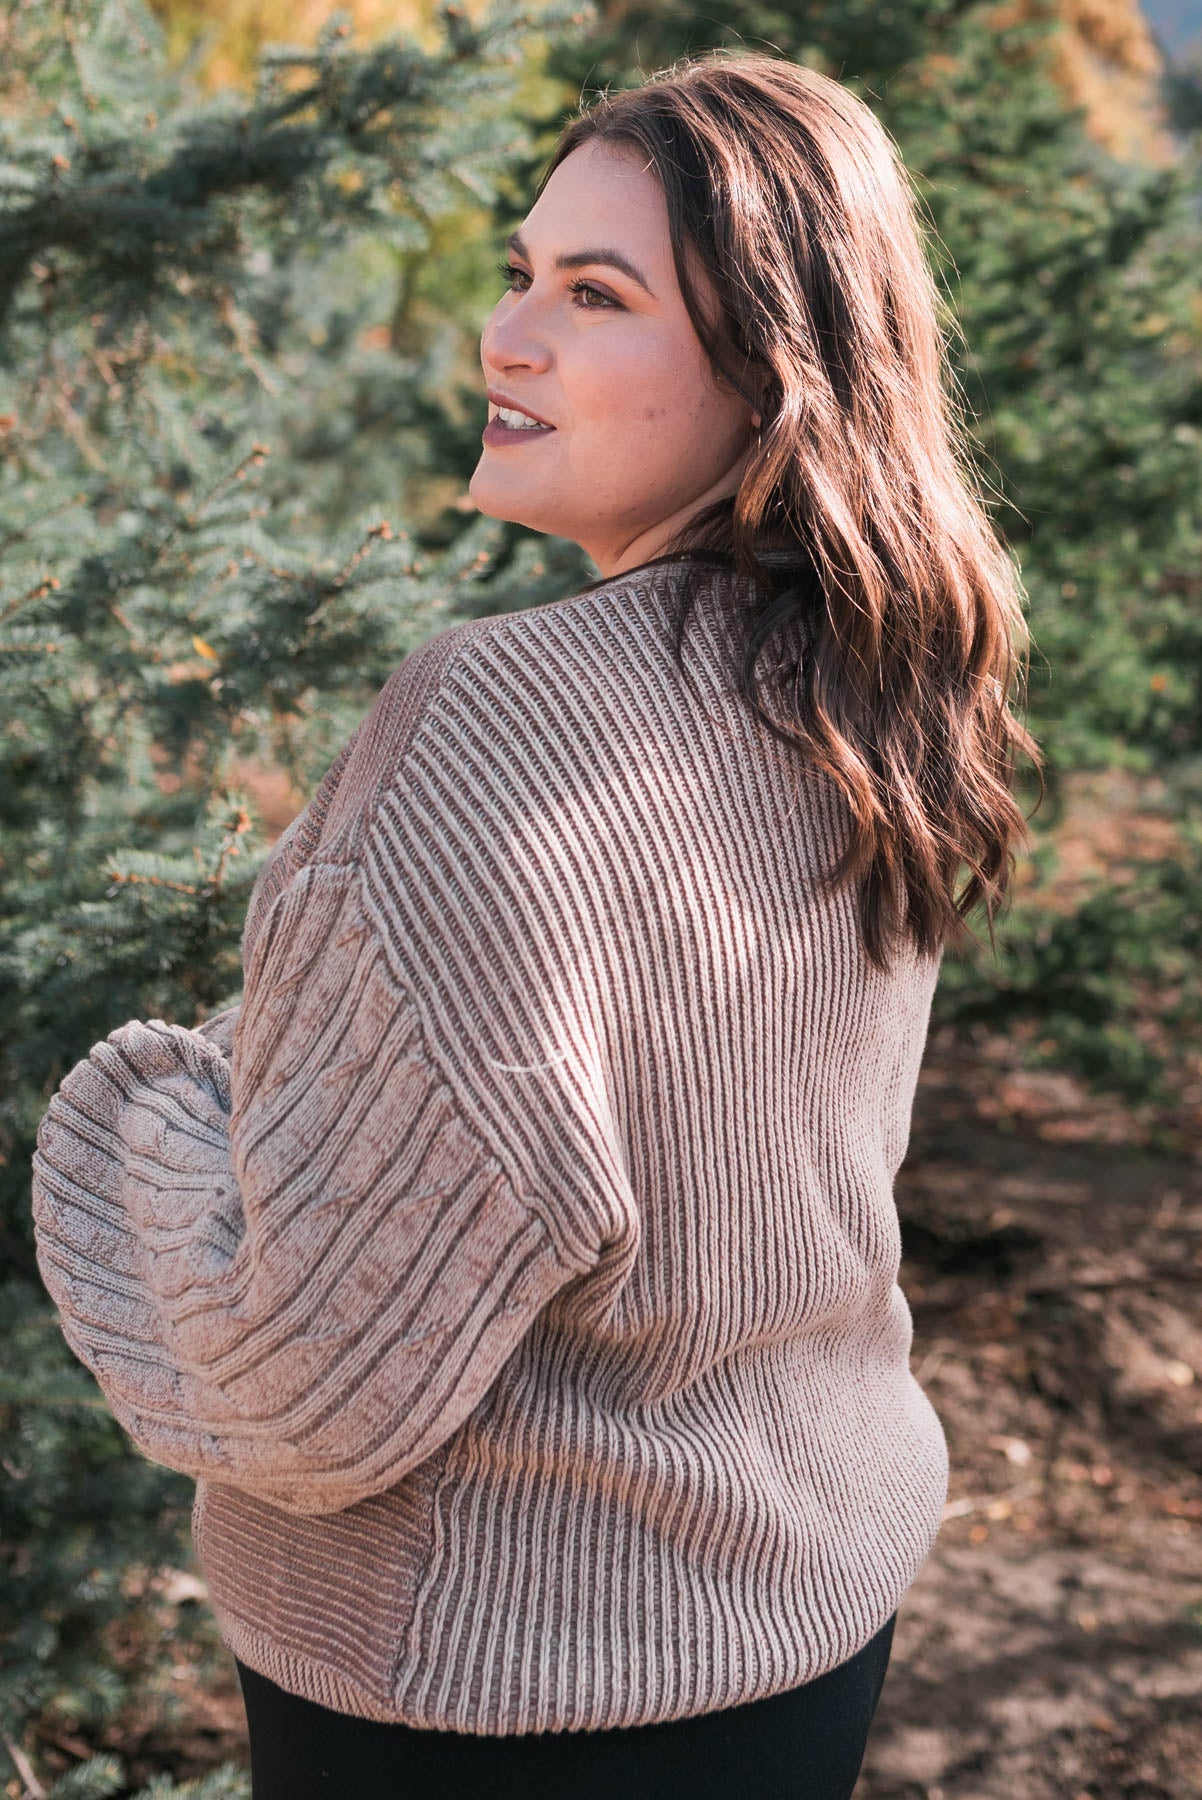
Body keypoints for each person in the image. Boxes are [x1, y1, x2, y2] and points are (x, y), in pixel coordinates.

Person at [31, 48, 1041, 1800]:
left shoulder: (493, 715)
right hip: (803, 1608)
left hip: (487, 1676)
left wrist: (129, 1113)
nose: (507, 333)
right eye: (519, 272)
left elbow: (306, 1375)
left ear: (770, 372)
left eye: (597, 293)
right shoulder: (866, 684)